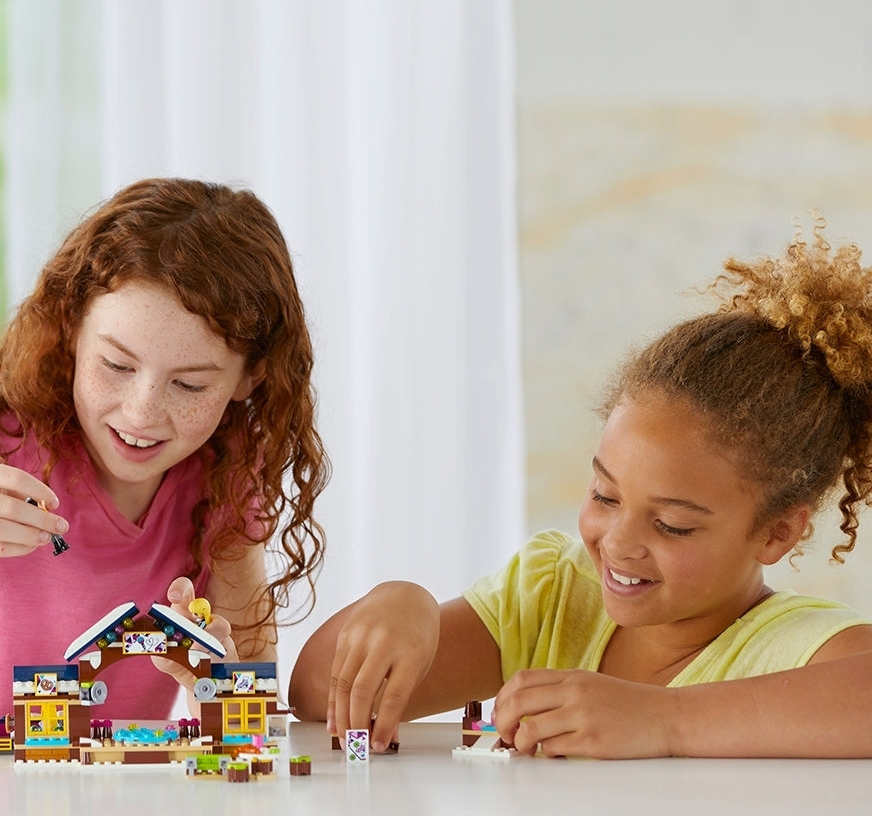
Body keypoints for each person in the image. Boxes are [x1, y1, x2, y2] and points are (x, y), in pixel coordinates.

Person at [290, 223, 872, 758]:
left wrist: (663, 722)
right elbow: (314, 695)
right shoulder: (557, 598)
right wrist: (401, 603)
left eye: (672, 524)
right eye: (605, 496)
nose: (619, 544)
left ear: (777, 533)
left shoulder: (790, 646)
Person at [0, 177, 329, 719]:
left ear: (250, 378)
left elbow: (249, 708)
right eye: (116, 365)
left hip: (111, 803)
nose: (141, 413)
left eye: (189, 385)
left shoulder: (225, 485)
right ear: (70, 327)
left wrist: (218, 680)